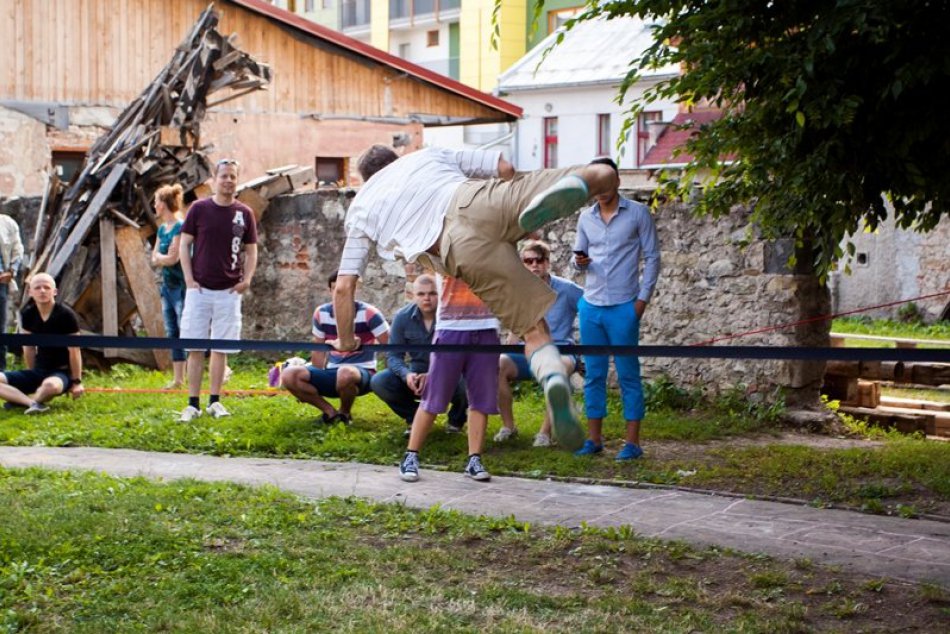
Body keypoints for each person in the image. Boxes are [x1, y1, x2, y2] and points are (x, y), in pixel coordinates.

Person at [332, 144, 618, 451]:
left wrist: (346, 342)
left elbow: (344, 286)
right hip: (478, 198)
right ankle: (567, 192)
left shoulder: (363, 205)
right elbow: (505, 168)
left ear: (366, 178)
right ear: (396, 160)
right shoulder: (426, 155)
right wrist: (514, 216)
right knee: (603, 174)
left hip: (458, 248)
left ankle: (552, 378)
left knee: (533, 330)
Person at [573, 157, 661, 460]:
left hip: (625, 305)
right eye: (594, 184)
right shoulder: (585, 218)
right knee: (594, 374)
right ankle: (593, 439)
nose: (600, 190)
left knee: (628, 374)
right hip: (592, 305)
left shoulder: (638, 214)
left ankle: (632, 443)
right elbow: (578, 257)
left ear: (617, 182)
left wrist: (641, 301)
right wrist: (579, 261)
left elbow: (652, 257)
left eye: (604, 183)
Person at [178, 158, 258, 422]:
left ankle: (214, 401)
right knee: (195, 346)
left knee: (221, 348)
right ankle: (192, 403)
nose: (228, 180)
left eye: (233, 176)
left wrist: (246, 279)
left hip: (229, 291)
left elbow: (251, 249)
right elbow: (184, 245)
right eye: (224, 176)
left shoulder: (244, 213)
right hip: (199, 289)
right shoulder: (199, 209)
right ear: (214, 179)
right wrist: (189, 279)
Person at [399, 275, 500, 483]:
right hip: (451, 327)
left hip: (487, 326)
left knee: (480, 400)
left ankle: (474, 460)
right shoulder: (447, 243)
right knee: (433, 397)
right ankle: (411, 455)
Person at [495, 240, 582, 447]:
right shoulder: (516, 291)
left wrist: (585, 350)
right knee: (497, 364)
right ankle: (509, 426)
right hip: (528, 352)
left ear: (547, 263)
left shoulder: (567, 289)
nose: (534, 265)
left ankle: (545, 433)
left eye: (539, 260)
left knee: (557, 373)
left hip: (561, 350)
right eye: (528, 261)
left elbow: (591, 309)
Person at [281, 272, 389, 424]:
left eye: (343, 290)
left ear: (354, 290)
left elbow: (391, 344)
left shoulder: (369, 313)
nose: (339, 294)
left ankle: (345, 413)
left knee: (345, 373)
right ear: (330, 291)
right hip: (332, 371)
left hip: (363, 372)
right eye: (335, 290)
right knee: (289, 374)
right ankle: (330, 413)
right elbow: (318, 349)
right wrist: (311, 375)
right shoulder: (322, 313)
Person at [370, 273, 468, 437]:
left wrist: (434, 375)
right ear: (413, 296)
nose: (427, 298)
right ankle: (415, 418)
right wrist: (407, 374)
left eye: (432, 293)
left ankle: (455, 422)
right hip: (416, 374)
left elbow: (461, 357)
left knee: (469, 380)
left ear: (441, 294)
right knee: (380, 381)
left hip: (450, 374)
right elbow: (394, 355)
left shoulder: (454, 316)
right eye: (421, 294)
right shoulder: (403, 317)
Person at [0, 273, 84, 413]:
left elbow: (74, 350)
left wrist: (76, 382)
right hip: (39, 370)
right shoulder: (27, 314)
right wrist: (32, 375)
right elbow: (29, 348)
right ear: (30, 292)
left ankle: (21, 400)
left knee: (50, 386)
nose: (42, 291)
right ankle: (32, 403)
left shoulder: (66, 315)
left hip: (61, 372)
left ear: (54, 291)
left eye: (46, 287)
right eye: (37, 288)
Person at [150, 183, 187, 389]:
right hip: (167, 287)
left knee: (186, 330)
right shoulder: (162, 229)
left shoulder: (181, 227)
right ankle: (178, 379)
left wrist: (161, 257)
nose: (154, 205)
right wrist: (162, 257)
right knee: (172, 331)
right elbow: (154, 258)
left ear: (163, 204)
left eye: (156, 202)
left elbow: (173, 259)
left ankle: (202, 372)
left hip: (182, 287)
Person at [0, 212, 24, 371]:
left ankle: (0, 372)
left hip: (0, 283)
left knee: (0, 326)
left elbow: (18, 249)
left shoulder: (7, 223)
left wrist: (12, 271)